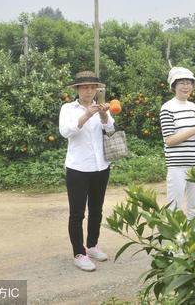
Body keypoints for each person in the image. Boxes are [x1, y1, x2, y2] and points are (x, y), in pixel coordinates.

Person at [59, 70, 114, 272]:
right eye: (85, 87)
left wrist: (103, 114)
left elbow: (110, 130)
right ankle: (79, 253)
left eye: (93, 87)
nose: (89, 90)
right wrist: (85, 115)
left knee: (97, 210)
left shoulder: (99, 107)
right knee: (77, 213)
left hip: (101, 166)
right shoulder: (68, 108)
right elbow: (66, 132)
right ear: (77, 89)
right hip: (78, 168)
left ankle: (92, 246)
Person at [160, 67, 195, 219]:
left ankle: (193, 241)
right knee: (174, 208)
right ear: (174, 86)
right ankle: (173, 242)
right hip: (178, 166)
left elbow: (190, 130)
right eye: (181, 83)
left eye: (189, 83)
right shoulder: (167, 109)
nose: (186, 86)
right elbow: (169, 140)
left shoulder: (192, 106)